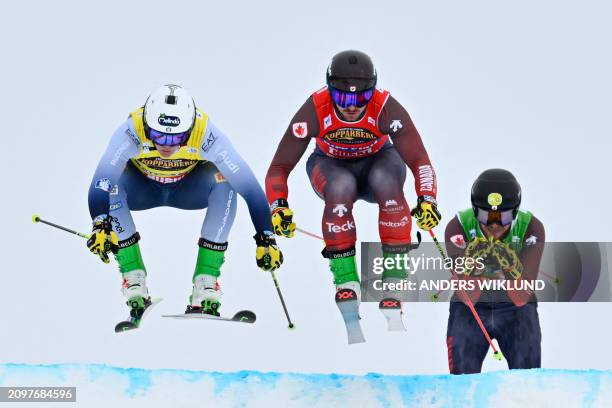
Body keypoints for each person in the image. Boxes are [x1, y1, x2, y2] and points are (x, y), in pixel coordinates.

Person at [265, 50, 441, 331]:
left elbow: (420, 160)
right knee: (340, 187)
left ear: (372, 91)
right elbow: (279, 167)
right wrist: (278, 206)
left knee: (387, 179)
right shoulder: (314, 108)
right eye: (343, 98)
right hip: (330, 166)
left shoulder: (386, 107)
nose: (351, 106)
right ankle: (346, 280)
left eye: (361, 98)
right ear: (329, 89)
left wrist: (427, 199)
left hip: (378, 164)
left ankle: (394, 278)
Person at [87, 84, 282, 320]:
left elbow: (249, 187)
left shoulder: (206, 134)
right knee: (113, 185)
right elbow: (101, 181)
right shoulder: (131, 131)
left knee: (225, 181)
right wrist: (100, 223)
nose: (167, 145)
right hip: (142, 189)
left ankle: (206, 284)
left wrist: (266, 237)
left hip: (188, 189)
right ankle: (133, 280)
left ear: (190, 129)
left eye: (177, 137)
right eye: (158, 135)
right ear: (147, 126)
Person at [444, 168, 545, 374]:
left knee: (528, 378)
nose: (495, 224)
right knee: (461, 380)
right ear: (474, 210)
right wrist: (471, 267)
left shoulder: (531, 227)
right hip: (471, 307)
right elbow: (468, 296)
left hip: (515, 309)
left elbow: (520, 298)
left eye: (504, 216)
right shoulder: (458, 226)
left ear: (515, 212)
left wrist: (509, 267)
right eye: (486, 215)